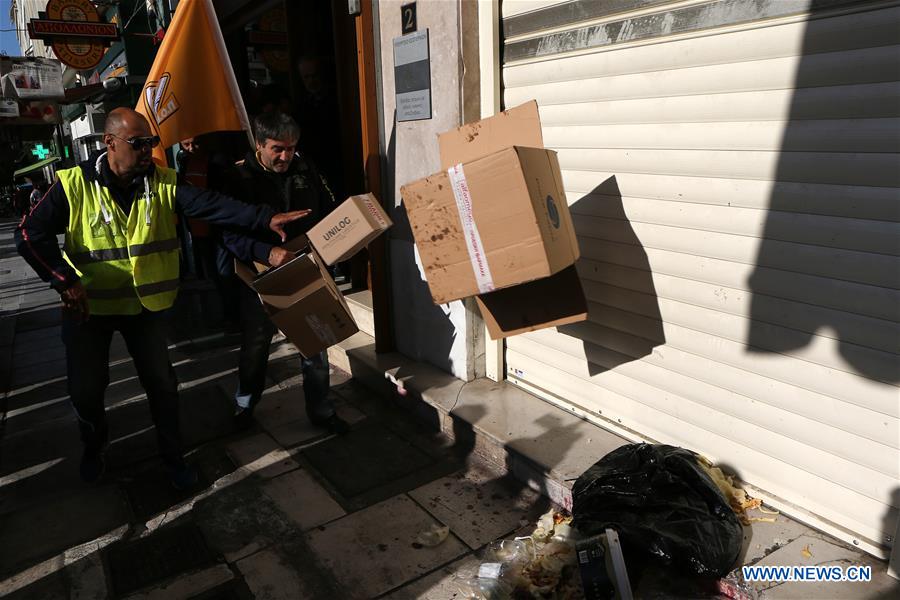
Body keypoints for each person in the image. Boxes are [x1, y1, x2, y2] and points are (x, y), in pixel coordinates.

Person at [15, 108, 307, 488]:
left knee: (163, 386)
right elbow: (28, 234)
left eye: (151, 143)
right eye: (138, 144)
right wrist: (64, 281)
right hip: (90, 311)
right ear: (110, 142)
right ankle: (94, 445)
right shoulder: (73, 184)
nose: (147, 151)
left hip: (145, 309)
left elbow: (211, 205)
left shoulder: (163, 181)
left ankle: (173, 457)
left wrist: (263, 218)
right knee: (86, 390)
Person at [221, 111, 348, 435]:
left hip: (305, 268)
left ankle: (322, 411)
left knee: (315, 343)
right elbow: (229, 236)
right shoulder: (239, 177)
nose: (285, 156)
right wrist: (266, 252)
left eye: (291, 148)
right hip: (260, 276)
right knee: (256, 346)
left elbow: (329, 210)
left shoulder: (306, 168)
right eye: (277, 148)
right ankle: (244, 405)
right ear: (259, 144)